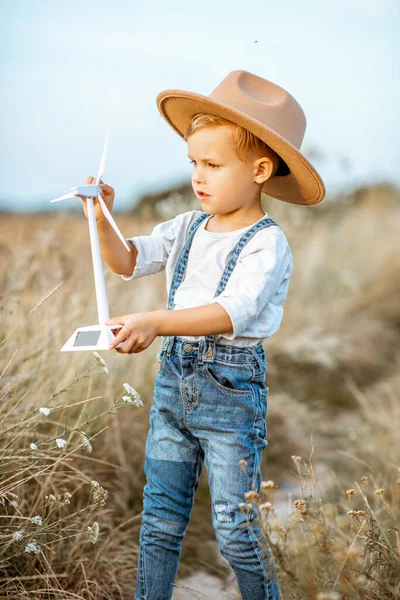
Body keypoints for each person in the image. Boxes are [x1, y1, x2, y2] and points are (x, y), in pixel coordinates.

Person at [82, 70, 325, 600]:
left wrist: (154, 321)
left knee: (236, 529)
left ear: (261, 170)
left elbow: (231, 312)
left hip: (229, 391)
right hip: (174, 385)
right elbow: (128, 260)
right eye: (194, 162)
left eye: (212, 165)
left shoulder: (266, 244)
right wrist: (101, 218)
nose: (198, 176)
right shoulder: (187, 226)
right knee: (160, 520)